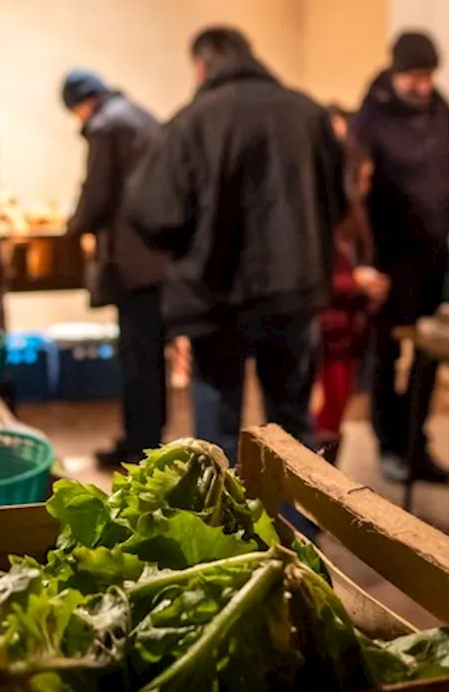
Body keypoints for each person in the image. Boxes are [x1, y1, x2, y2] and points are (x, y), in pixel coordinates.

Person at [128, 26, 346, 462]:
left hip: (215, 296)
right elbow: (337, 203)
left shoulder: (191, 121)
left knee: (217, 437)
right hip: (294, 293)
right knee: (293, 428)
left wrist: (189, 246)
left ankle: (226, 529)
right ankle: (296, 528)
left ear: (201, 65)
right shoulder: (308, 114)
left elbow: (152, 213)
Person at [349, 30, 449, 484]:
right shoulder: (372, 114)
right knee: (386, 352)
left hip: (434, 249)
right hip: (390, 252)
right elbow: (357, 180)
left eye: (429, 76)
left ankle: (416, 443)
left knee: (430, 349)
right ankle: (389, 444)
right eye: (416, 78)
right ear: (397, 73)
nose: (424, 86)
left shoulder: (439, 105)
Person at [61, 69, 167, 466]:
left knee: (136, 356)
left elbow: (97, 192)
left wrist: (73, 227)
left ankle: (138, 449)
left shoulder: (106, 124)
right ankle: (151, 443)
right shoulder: (140, 115)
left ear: (81, 104)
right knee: (151, 356)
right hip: (157, 257)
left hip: (132, 259)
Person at [312, 105, 389, 462]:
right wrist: (355, 283)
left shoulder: (357, 219)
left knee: (334, 420)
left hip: (346, 335)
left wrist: (369, 291)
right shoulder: (324, 221)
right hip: (325, 336)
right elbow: (319, 278)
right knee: (321, 422)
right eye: (364, 179)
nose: (368, 187)